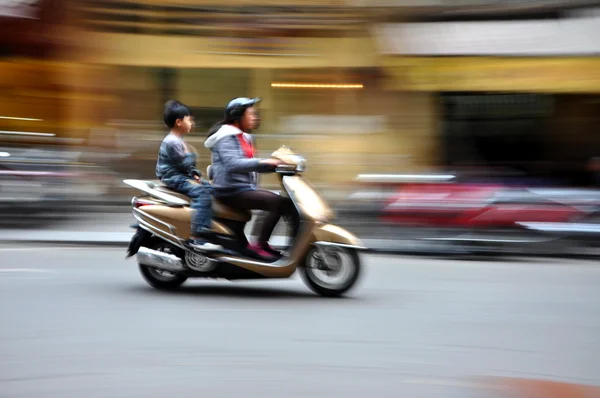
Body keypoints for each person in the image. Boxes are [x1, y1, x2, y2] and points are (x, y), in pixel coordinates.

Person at [204, 97, 299, 261]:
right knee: (279, 202)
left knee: (283, 200)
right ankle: (260, 244)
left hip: (243, 188)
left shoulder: (244, 137)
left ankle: (262, 243)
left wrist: (276, 165)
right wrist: (265, 162)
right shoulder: (226, 136)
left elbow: (249, 165)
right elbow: (233, 164)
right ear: (238, 116)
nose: (255, 117)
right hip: (230, 190)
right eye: (251, 114)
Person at [156, 100, 222, 251]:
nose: (192, 123)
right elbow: (184, 164)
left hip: (180, 174)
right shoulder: (173, 141)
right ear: (179, 122)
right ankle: (198, 236)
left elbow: (187, 167)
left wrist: (195, 174)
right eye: (189, 119)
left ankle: (210, 226)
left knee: (211, 189)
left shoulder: (178, 140)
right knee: (202, 193)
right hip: (173, 177)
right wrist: (191, 154)